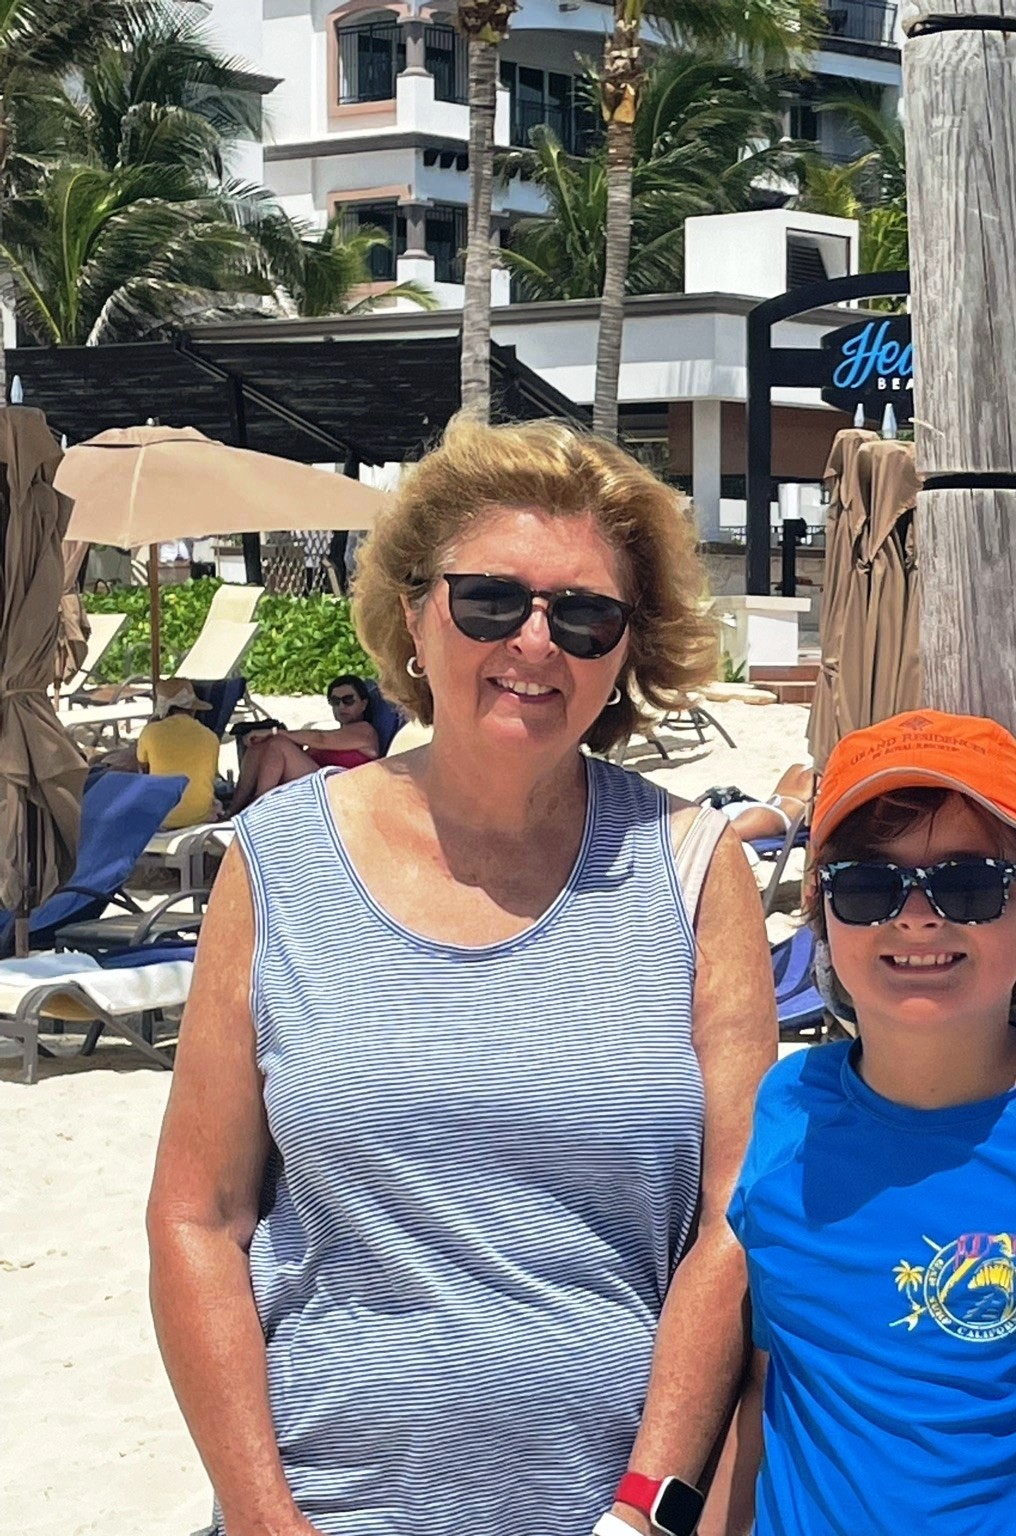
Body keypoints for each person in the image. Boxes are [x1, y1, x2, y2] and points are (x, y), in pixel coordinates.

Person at [146, 415, 777, 1536]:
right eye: (490, 600)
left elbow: (735, 1222)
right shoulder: (279, 858)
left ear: (625, 649)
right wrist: (262, 1517)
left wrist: (644, 1511)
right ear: (413, 614)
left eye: (583, 615)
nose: (536, 642)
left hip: (609, 1515)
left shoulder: (693, 868)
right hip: (324, 1504)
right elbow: (199, 1215)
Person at [727, 710, 1016, 1533]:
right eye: (867, 885)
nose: (917, 916)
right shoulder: (782, 1111)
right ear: (824, 922)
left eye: (969, 884)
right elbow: (767, 1386)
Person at [221, 674, 382, 815]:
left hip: (338, 791)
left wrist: (274, 732)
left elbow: (321, 739)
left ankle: (259, 807)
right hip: (317, 784)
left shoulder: (365, 731)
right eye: (335, 701)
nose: (341, 707)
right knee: (261, 744)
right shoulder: (338, 733)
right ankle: (234, 808)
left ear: (363, 704)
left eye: (348, 700)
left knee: (278, 743)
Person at [127, 678, 221, 830]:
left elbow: (142, 766)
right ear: (193, 709)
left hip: (161, 817)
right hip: (199, 816)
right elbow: (211, 774)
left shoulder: (151, 732)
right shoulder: (210, 736)